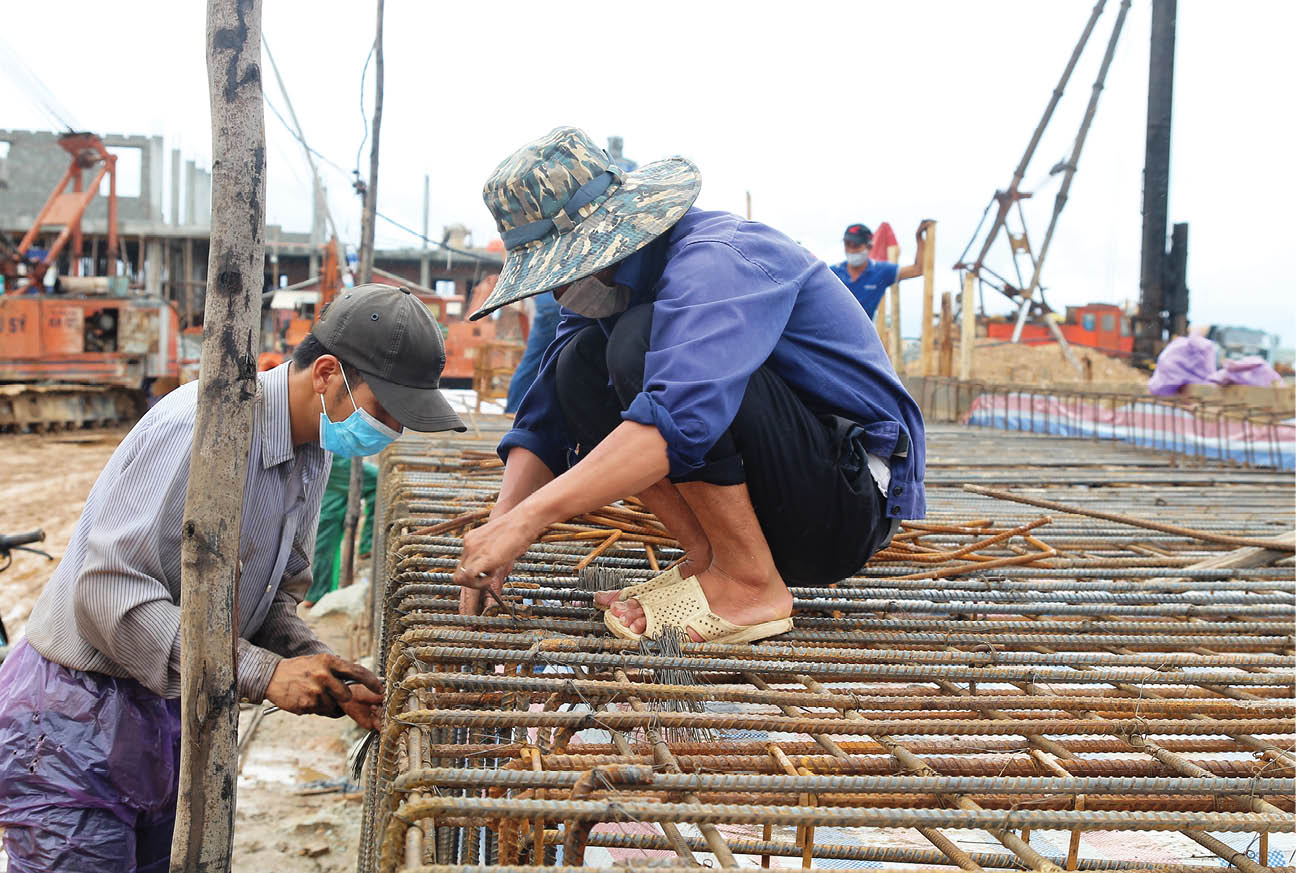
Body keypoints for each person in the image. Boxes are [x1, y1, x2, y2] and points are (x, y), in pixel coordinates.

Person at [0, 284, 465, 873]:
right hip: (75, 722)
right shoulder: (200, 429)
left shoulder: (311, 451)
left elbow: (268, 598)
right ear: (326, 373)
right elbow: (107, 591)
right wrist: (263, 672)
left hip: (167, 712)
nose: (390, 431)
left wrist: (318, 665)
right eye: (385, 413)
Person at [451, 126, 925, 646]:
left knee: (637, 343)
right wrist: (504, 523)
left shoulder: (718, 259)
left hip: (843, 505)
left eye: (560, 272)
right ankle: (713, 560)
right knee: (578, 365)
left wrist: (530, 521)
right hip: (781, 505)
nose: (559, 291)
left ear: (606, 243)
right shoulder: (606, 289)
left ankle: (750, 583)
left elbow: (682, 417)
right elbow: (546, 416)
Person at [304, 454, 379, 607]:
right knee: (379, 479)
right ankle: (367, 544)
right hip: (331, 455)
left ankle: (318, 593)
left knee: (328, 524)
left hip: (331, 456)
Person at [829, 220, 932, 319]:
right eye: (847, 244)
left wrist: (919, 238)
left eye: (856, 245)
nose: (851, 250)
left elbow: (918, 270)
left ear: (869, 246)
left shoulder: (880, 272)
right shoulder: (832, 273)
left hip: (862, 334)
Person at [504, 289, 559, 413]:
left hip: (550, 297)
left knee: (533, 361)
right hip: (560, 297)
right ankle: (515, 410)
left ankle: (514, 410)